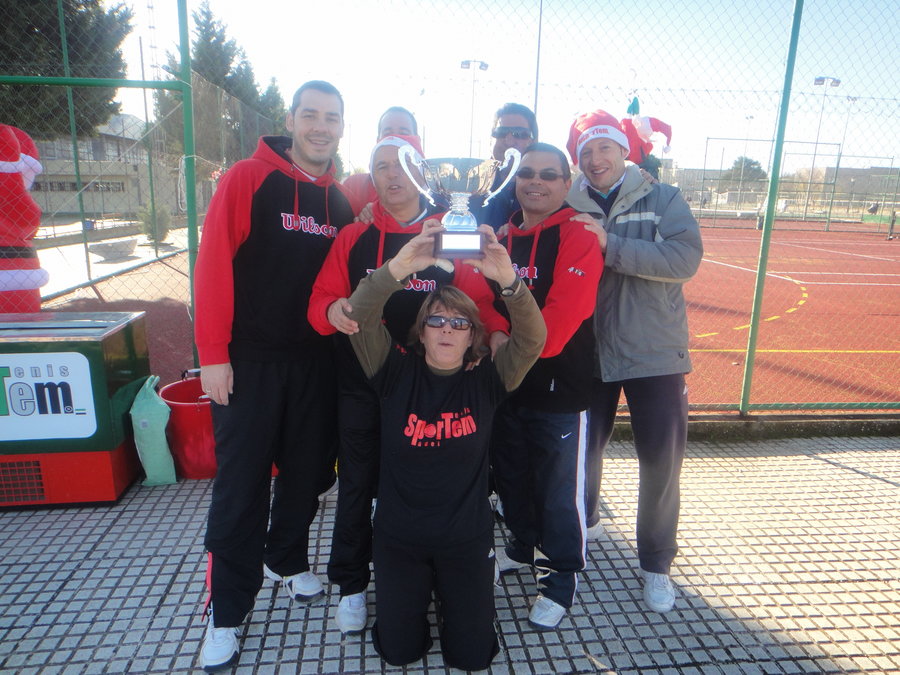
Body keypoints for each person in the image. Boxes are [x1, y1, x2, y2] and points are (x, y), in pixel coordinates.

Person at [308, 134, 507, 635]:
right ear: (370, 176)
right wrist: (332, 311)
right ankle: (352, 585)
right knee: (357, 484)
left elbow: (481, 303)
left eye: (402, 166)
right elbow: (320, 302)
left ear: (421, 175)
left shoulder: (446, 233)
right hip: (363, 383)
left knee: (433, 480)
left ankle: (451, 569)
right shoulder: (355, 235)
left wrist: (496, 337)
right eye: (381, 166)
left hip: (430, 391)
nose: (392, 175)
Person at [193, 80, 355, 672]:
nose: (320, 127)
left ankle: (285, 558)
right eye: (310, 115)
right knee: (241, 489)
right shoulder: (248, 178)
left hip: (316, 363)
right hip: (249, 364)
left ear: (341, 127)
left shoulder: (341, 202)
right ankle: (226, 612)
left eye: (331, 117)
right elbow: (212, 264)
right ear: (291, 120)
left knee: (308, 475)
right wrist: (213, 353)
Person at [345, 219, 546, 670]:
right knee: (398, 652)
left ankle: (457, 591)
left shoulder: (488, 380)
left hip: (464, 537)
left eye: (460, 322)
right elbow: (358, 314)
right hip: (400, 537)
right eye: (436, 320)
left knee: (472, 656)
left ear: (473, 335)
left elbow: (533, 339)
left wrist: (509, 281)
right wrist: (398, 268)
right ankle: (416, 594)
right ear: (421, 331)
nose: (447, 330)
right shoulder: (393, 373)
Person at [564, 109, 703, 614]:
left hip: (655, 351)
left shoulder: (663, 198)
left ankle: (657, 563)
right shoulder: (566, 201)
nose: (596, 158)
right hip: (588, 350)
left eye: (605, 147)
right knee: (582, 453)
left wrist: (611, 245)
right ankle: (583, 528)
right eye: (586, 151)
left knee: (661, 461)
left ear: (624, 150)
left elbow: (685, 259)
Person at [491, 142, 603, 630]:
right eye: (527, 173)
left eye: (548, 175)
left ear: (566, 183)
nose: (535, 181)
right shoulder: (502, 236)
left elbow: (557, 328)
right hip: (506, 384)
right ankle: (521, 544)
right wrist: (493, 332)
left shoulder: (578, 234)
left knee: (559, 490)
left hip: (560, 387)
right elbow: (481, 298)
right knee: (512, 476)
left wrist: (504, 340)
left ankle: (560, 578)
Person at [469, 102, 539, 231]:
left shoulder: (545, 188)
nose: (509, 141)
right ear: (491, 139)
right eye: (501, 132)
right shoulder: (468, 184)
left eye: (519, 133)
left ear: (533, 141)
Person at [342, 106, 418, 215]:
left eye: (403, 133)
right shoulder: (354, 187)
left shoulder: (433, 191)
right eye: (387, 134)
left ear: (417, 140)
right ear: (378, 141)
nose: (395, 138)